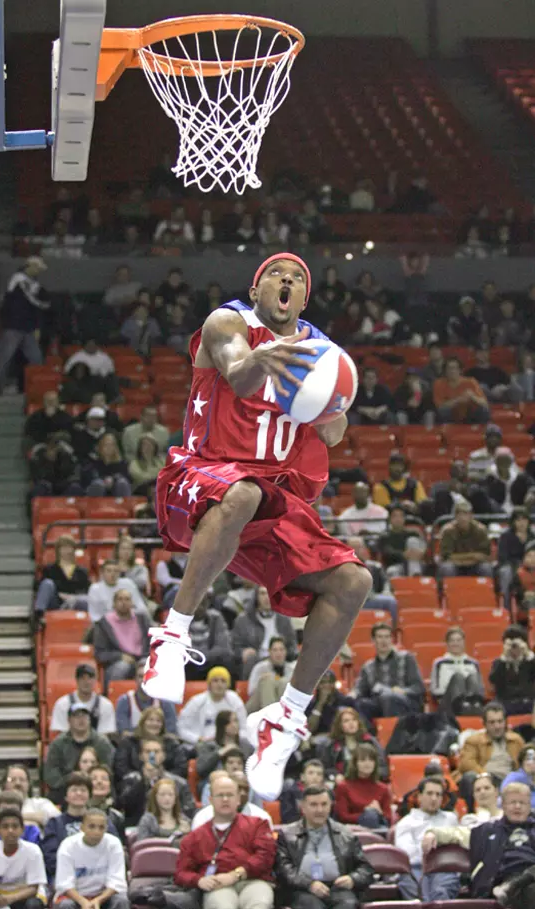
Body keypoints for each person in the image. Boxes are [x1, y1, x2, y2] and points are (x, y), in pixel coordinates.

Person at [140, 253, 373, 802]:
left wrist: (326, 392)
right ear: (257, 286)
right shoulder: (229, 324)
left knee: (353, 581)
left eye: (297, 277)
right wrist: (276, 357)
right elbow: (241, 376)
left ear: (305, 298)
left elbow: (335, 433)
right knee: (241, 491)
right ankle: (171, 637)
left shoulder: (321, 351)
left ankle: (284, 720)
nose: (287, 279)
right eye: (276, 273)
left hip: (273, 497)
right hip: (201, 474)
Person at [174, 774, 276, 909]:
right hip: (217, 885)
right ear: (210, 800)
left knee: (259, 904)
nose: (225, 799)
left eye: (230, 795)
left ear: (239, 799)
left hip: (253, 881)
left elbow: (265, 857)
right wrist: (199, 880)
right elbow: (181, 873)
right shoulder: (195, 837)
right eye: (220, 795)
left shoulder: (257, 824)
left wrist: (235, 875)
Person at [275, 785, 374, 909]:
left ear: (330, 806)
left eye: (324, 804)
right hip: (302, 890)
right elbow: (283, 870)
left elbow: (365, 868)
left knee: (348, 904)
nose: (319, 810)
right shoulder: (287, 835)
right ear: (303, 808)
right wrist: (309, 884)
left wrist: (352, 879)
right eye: (314, 805)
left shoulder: (346, 834)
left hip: (338, 889)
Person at [41, 772, 118, 884]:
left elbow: (113, 848)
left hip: (99, 876)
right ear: (66, 796)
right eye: (74, 790)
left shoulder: (102, 820)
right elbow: (50, 857)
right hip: (66, 878)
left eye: (83, 790)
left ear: (89, 795)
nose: (78, 793)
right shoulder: (54, 824)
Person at [0, 257, 49, 396]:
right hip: (14, 325)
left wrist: (36, 326)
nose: (38, 271)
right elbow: (31, 300)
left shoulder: (33, 282)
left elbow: (33, 306)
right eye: (37, 268)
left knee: (36, 358)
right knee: (5, 357)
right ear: (30, 266)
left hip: (27, 327)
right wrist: (43, 305)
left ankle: (38, 387)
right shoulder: (19, 279)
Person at [394, 777, 460, 901]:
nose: (434, 798)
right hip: (415, 869)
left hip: (444, 868)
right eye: (429, 793)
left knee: (441, 890)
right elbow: (408, 856)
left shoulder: (451, 819)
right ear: (419, 796)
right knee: (417, 890)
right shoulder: (406, 823)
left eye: (438, 794)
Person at [469, 782, 535, 903]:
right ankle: (512, 886)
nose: (517, 806)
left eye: (522, 803)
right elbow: (456, 833)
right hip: (498, 881)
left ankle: (514, 885)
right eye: (512, 802)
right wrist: (433, 833)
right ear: (503, 805)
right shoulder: (487, 829)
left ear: (529, 806)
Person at [54, 808, 129, 909]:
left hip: (103, 896)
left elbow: (117, 882)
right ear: (82, 827)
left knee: (121, 901)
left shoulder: (114, 844)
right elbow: (64, 884)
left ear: (106, 828)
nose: (96, 832)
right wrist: (83, 902)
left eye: (101, 827)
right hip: (75, 897)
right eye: (91, 826)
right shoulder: (68, 845)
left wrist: (98, 900)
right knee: (65, 905)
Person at [0, 808, 47, 909]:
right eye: (5, 827)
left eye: (15, 826)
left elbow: (34, 888)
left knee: (33, 905)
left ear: (22, 830)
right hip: (0, 896)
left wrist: (11, 898)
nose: (10, 830)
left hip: (26, 896)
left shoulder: (33, 851)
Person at [458, 701, 524, 809]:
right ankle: (472, 812)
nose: (497, 726)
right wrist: (485, 776)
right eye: (492, 722)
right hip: (486, 779)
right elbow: (466, 764)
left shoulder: (516, 741)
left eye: (500, 721)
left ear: (505, 722)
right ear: (484, 724)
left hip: (510, 780)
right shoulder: (474, 740)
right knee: (469, 777)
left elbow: (524, 763)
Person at [116, 737, 195, 828]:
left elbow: (189, 809)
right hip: (136, 827)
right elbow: (124, 805)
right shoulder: (130, 780)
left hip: (171, 826)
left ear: (163, 756)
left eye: (156, 751)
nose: (152, 755)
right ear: (140, 756)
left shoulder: (179, 783)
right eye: (148, 752)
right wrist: (143, 781)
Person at [43, 705, 114, 804]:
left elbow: (108, 769)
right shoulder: (58, 744)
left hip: (97, 787)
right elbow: (51, 774)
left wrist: (94, 782)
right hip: (65, 790)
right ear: (69, 720)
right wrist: (72, 785)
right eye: (77, 716)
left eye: (84, 716)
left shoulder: (102, 743)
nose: (81, 720)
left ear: (90, 720)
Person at [353, 623, 425, 721]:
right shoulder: (368, 666)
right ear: (373, 640)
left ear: (392, 639)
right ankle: (369, 735)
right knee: (360, 704)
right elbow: (359, 691)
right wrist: (352, 695)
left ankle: (392, 734)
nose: (384, 641)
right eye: (380, 637)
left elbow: (418, 688)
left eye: (387, 637)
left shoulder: (407, 658)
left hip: (405, 703)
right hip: (379, 704)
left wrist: (402, 691)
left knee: (388, 697)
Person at [231, 586, 297, 681]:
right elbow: (234, 648)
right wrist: (242, 652)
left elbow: (293, 647)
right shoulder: (243, 620)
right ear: (256, 597)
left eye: (271, 593)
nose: (267, 597)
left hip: (281, 660)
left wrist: (283, 652)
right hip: (257, 660)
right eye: (263, 593)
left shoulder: (284, 619)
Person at [114, 706, 188, 784]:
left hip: (166, 783)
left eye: (158, 721)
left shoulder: (172, 743)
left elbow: (181, 768)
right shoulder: (128, 742)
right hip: (134, 782)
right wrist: (143, 775)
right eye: (150, 720)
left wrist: (161, 776)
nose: (154, 723)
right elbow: (121, 768)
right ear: (143, 722)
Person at [177, 667, 248, 747]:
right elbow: (181, 728)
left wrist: (232, 739)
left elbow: (244, 729)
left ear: (228, 685)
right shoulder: (197, 701)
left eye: (223, 681)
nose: (219, 684)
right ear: (209, 683)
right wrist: (199, 739)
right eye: (215, 681)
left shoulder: (234, 700)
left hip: (230, 744)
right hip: (201, 745)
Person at [316, 707, 388, 784]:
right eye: (346, 721)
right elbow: (325, 768)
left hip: (367, 781)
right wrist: (335, 775)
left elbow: (382, 767)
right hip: (342, 782)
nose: (351, 723)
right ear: (339, 725)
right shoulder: (331, 745)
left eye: (354, 719)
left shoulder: (370, 741)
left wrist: (369, 774)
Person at [92, 588, 151, 683]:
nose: (124, 602)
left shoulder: (142, 619)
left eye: (127, 599)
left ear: (132, 603)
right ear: (114, 604)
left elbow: (151, 643)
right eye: (120, 599)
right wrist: (120, 656)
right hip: (117, 663)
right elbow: (100, 654)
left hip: (142, 659)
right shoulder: (104, 624)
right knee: (122, 667)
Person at [0, 765, 59, 833]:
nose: (18, 783)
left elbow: (57, 821)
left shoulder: (40, 803)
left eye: (22, 780)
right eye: (12, 780)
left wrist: (6, 816)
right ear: (4, 784)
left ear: (29, 784)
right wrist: (34, 818)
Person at [334, 743, 391, 829]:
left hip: (378, 829)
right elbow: (343, 816)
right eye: (363, 760)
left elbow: (388, 818)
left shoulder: (383, 789)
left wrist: (379, 813)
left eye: (371, 760)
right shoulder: (343, 787)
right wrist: (365, 815)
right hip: (352, 830)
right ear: (355, 763)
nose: (367, 763)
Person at [430, 627, 485, 715]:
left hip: (470, 703)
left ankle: (470, 706)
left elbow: (481, 689)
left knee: (472, 677)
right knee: (458, 677)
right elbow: (434, 690)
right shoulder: (439, 663)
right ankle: (462, 705)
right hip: (447, 702)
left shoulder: (473, 663)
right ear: (447, 643)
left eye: (458, 640)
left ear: (464, 642)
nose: (455, 643)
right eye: (452, 640)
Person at [114, 659, 178, 736]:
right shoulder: (125, 700)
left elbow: (170, 732)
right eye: (140, 676)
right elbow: (123, 731)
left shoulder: (165, 700)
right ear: (135, 679)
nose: (144, 680)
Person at [196, 712, 253, 796]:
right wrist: (220, 753)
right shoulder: (208, 746)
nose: (235, 725)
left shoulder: (246, 745)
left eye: (236, 721)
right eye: (232, 721)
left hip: (242, 782)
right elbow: (201, 769)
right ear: (223, 725)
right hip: (213, 782)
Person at [192, 771, 273, 830]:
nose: (243, 793)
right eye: (239, 788)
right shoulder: (203, 817)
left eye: (246, 789)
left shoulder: (262, 817)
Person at [179, 594, 234, 680]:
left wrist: (202, 657)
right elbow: (178, 646)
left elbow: (222, 647)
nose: (200, 607)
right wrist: (194, 657)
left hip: (210, 662)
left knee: (226, 661)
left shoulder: (216, 618)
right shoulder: (181, 620)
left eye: (203, 603)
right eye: (196, 603)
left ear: (208, 604)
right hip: (187, 663)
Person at [50, 664, 116, 735]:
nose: (86, 682)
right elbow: (60, 734)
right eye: (82, 678)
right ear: (77, 680)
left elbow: (105, 735)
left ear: (95, 680)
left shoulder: (105, 705)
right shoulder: (63, 704)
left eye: (90, 678)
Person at [34, 536, 90, 615]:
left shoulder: (82, 571)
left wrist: (71, 597)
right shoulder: (49, 569)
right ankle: (39, 615)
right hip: (56, 603)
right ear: (58, 551)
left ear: (73, 550)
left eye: (69, 547)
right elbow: (42, 588)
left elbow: (86, 591)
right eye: (63, 548)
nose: (67, 550)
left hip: (75, 603)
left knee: (86, 599)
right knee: (47, 583)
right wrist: (60, 595)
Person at [438, 501, 493, 578]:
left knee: (486, 568)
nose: (462, 518)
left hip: (474, 565)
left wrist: (461, 558)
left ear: (471, 516)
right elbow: (447, 557)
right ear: (455, 516)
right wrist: (472, 555)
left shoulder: (481, 530)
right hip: (455, 565)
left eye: (465, 514)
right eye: (459, 514)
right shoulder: (448, 531)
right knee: (447, 568)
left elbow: (484, 555)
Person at [489, 625, 535, 716]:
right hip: (506, 703)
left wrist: (529, 655)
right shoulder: (499, 662)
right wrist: (504, 658)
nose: (514, 648)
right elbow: (493, 680)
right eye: (511, 645)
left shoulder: (530, 661)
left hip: (528, 702)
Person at [498, 507, 535, 610]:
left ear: (528, 521)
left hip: (531, 566)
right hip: (511, 566)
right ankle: (507, 608)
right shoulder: (506, 536)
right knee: (506, 572)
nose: (521, 523)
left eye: (524, 520)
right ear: (513, 522)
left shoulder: (532, 536)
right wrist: (521, 564)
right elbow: (503, 557)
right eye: (518, 520)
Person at [433, 357, 490, 424]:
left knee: (483, 409)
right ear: (445, 370)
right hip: (451, 416)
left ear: (460, 370)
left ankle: (480, 432)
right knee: (443, 411)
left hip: (469, 415)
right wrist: (458, 400)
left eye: (455, 368)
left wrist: (472, 396)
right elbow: (440, 406)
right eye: (449, 368)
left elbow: (485, 403)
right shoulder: (438, 383)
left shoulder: (471, 381)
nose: (452, 371)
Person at [371, 452, 429, 519]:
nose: (397, 468)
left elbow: (422, 504)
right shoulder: (380, 487)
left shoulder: (415, 484)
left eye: (400, 465)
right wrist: (402, 505)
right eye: (394, 465)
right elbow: (383, 510)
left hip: (413, 521)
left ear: (404, 467)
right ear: (389, 466)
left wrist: (415, 507)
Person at [246, 636, 296, 713]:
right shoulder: (260, 667)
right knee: (267, 681)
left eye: (281, 650)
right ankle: (271, 718)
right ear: (269, 652)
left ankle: (279, 718)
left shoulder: (291, 669)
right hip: (257, 706)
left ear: (286, 652)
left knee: (284, 682)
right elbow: (250, 692)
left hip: (281, 703)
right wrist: (260, 681)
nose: (278, 653)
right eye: (275, 650)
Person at [87, 559, 145, 624]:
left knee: (151, 629)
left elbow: (141, 608)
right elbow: (94, 615)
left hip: (130, 621)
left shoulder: (128, 583)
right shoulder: (95, 589)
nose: (113, 574)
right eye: (109, 571)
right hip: (106, 626)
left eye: (116, 571)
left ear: (119, 573)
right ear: (102, 573)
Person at [137, 777, 191, 843]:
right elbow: (142, 846)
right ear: (155, 797)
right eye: (162, 794)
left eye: (171, 795)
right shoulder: (147, 821)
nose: (167, 798)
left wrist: (187, 834)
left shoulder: (184, 820)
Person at [29, 434, 82, 498]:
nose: (53, 451)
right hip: (46, 485)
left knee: (75, 489)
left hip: (63, 485)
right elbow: (40, 476)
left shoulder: (64, 457)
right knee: (39, 489)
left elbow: (68, 473)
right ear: (47, 448)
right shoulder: (39, 458)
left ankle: (63, 505)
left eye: (55, 448)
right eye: (51, 448)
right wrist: (49, 462)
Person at [82, 433, 131, 498]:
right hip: (99, 492)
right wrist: (104, 480)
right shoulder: (93, 463)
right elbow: (88, 479)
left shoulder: (122, 464)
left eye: (111, 445)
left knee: (122, 482)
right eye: (106, 445)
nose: (109, 448)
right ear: (100, 447)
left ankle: (124, 507)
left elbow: (127, 479)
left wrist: (113, 479)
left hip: (116, 494)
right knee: (98, 483)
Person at [280, 760, 326, 825]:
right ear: (302, 777)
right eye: (311, 773)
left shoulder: (328, 795)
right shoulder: (290, 793)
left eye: (319, 774)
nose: (315, 777)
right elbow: (288, 819)